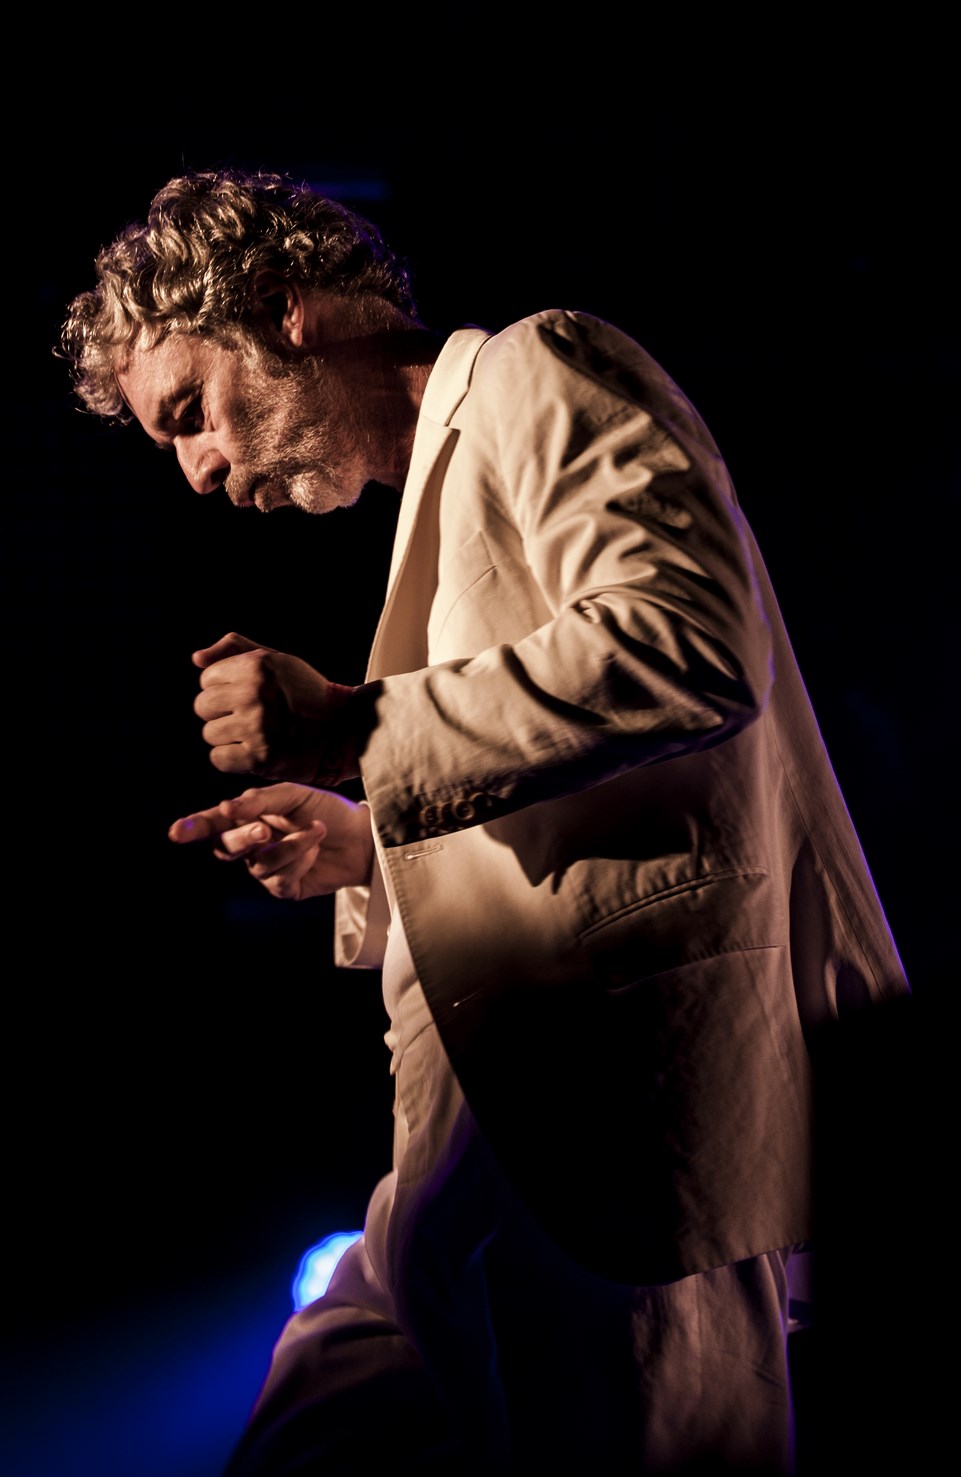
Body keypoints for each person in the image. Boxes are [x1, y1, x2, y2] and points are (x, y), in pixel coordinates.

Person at [59, 167, 910, 1476]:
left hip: (614, 1136)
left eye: (189, 412)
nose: (199, 472)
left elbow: (688, 649)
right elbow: (572, 782)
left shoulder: (535, 367)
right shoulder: (437, 499)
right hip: (462, 1150)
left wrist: (354, 729)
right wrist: (361, 840)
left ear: (283, 306)